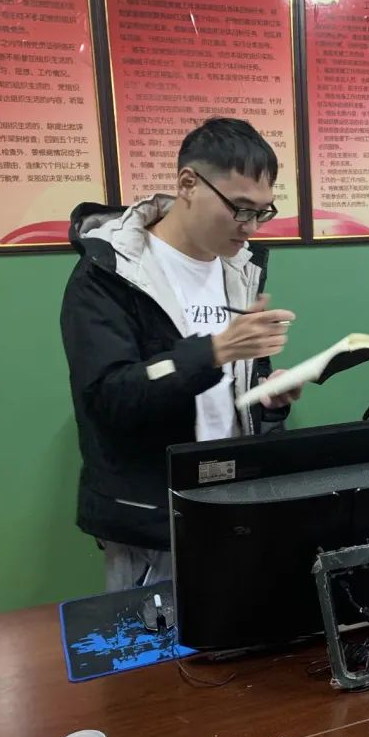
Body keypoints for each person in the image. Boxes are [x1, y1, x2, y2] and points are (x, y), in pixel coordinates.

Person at [60, 117, 302, 591]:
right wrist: (213, 352)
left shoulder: (240, 267)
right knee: (154, 638)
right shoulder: (108, 272)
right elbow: (108, 397)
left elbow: (236, 388)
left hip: (236, 499)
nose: (250, 227)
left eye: (263, 212)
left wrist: (268, 397)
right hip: (153, 519)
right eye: (239, 209)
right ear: (188, 183)